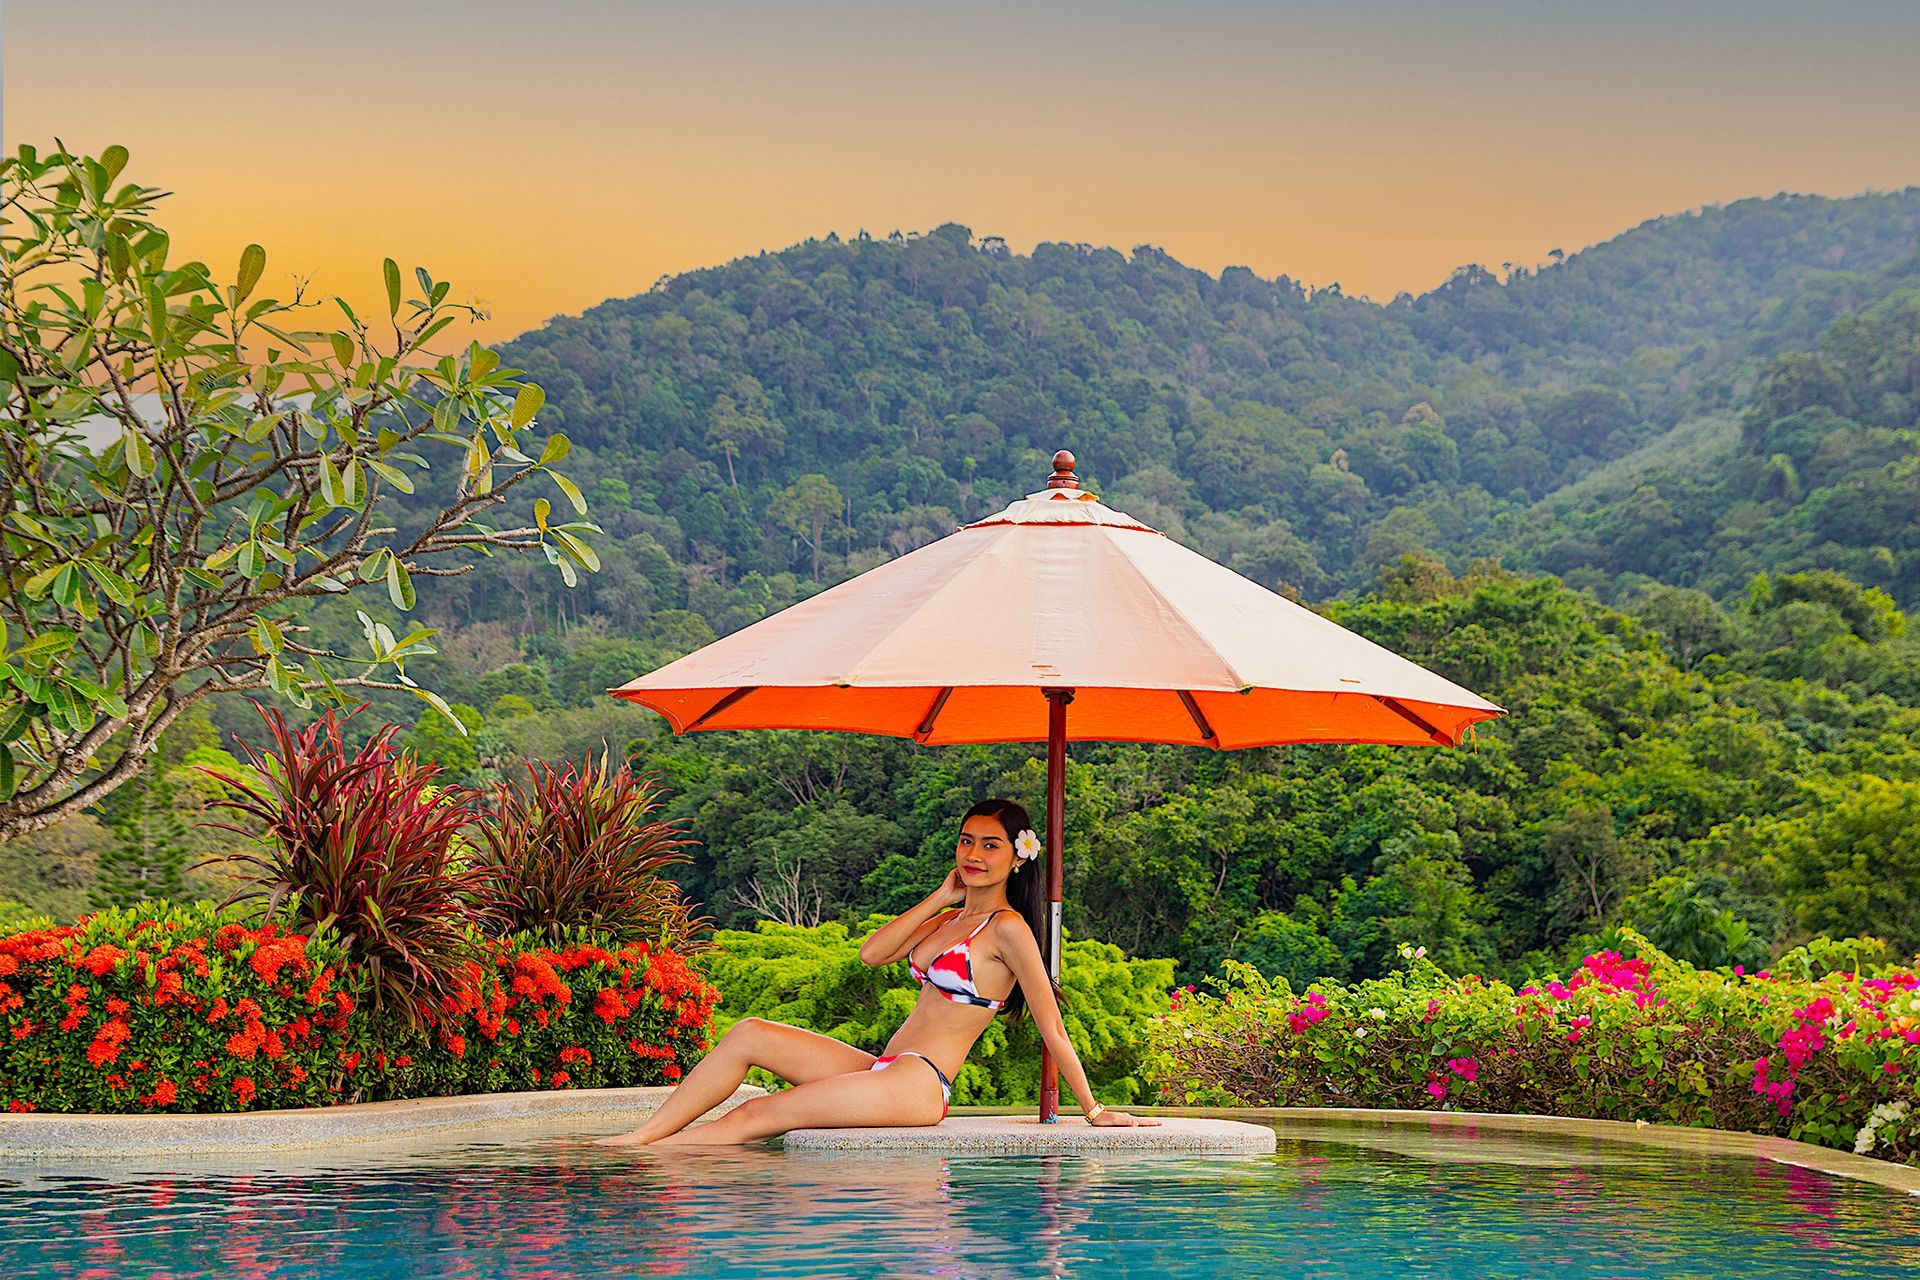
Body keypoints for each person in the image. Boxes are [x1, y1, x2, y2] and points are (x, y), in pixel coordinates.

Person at [598, 798, 1158, 1145]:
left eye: (991, 845)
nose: (975, 854)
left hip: (921, 1084)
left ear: (1018, 857)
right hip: (885, 1068)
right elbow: (873, 953)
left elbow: (1051, 1025)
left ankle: (637, 1161)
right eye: (966, 841)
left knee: (758, 1112)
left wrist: (1094, 1109)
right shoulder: (948, 919)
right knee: (748, 1032)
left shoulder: (1009, 929)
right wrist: (942, 894)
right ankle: (643, 1138)